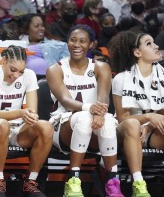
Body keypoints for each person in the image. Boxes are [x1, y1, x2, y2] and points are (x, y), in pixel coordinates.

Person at [46, 24, 124, 197]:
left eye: (82, 41)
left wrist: (99, 112)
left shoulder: (101, 67)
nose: (76, 45)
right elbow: (66, 102)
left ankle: (113, 183)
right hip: (64, 125)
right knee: (83, 118)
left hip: (96, 122)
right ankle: (73, 181)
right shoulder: (55, 69)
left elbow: (104, 96)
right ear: (67, 42)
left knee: (109, 121)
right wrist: (90, 109)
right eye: (72, 40)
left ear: (91, 45)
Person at [0, 45, 53, 197]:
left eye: (20, 71)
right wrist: (20, 113)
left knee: (46, 126)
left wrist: (30, 116)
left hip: (16, 128)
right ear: (3, 60)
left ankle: (30, 182)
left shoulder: (28, 75)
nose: (16, 75)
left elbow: (32, 111)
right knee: (1, 125)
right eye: (12, 69)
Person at [108, 30, 164, 197]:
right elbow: (123, 118)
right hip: (127, 132)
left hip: (152, 132)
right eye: (149, 43)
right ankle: (138, 184)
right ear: (137, 52)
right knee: (133, 124)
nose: (156, 46)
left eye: (154, 42)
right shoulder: (121, 78)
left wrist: (149, 126)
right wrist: (148, 117)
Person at [19, 14, 69, 80]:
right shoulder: (18, 44)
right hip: (24, 79)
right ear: (27, 29)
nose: (41, 29)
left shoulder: (56, 45)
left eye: (42, 26)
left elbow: (67, 65)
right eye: (36, 26)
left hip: (51, 80)